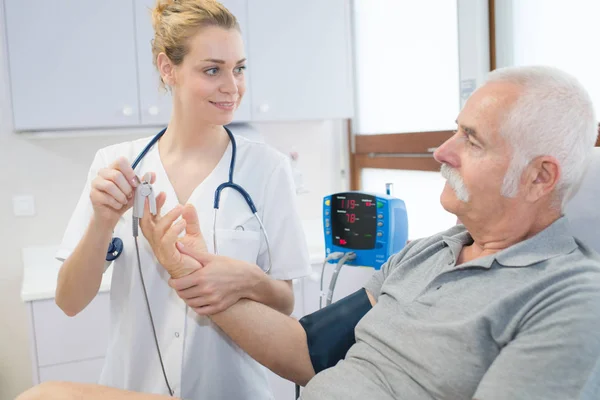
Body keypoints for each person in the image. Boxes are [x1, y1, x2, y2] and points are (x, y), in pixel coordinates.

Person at [18, 66, 600, 399]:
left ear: (538, 177)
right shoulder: (428, 254)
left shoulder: (569, 297)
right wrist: (186, 267)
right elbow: (305, 350)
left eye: (471, 140)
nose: (441, 151)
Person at [52, 0, 310, 398]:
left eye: (239, 68)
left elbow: (284, 302)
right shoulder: (117, 167)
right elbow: (69, 301)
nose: (232, 86)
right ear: (167, 68)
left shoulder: (270, 169)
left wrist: (249, 280)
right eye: (212, 70)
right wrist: (103, 222)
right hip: (134, 388)